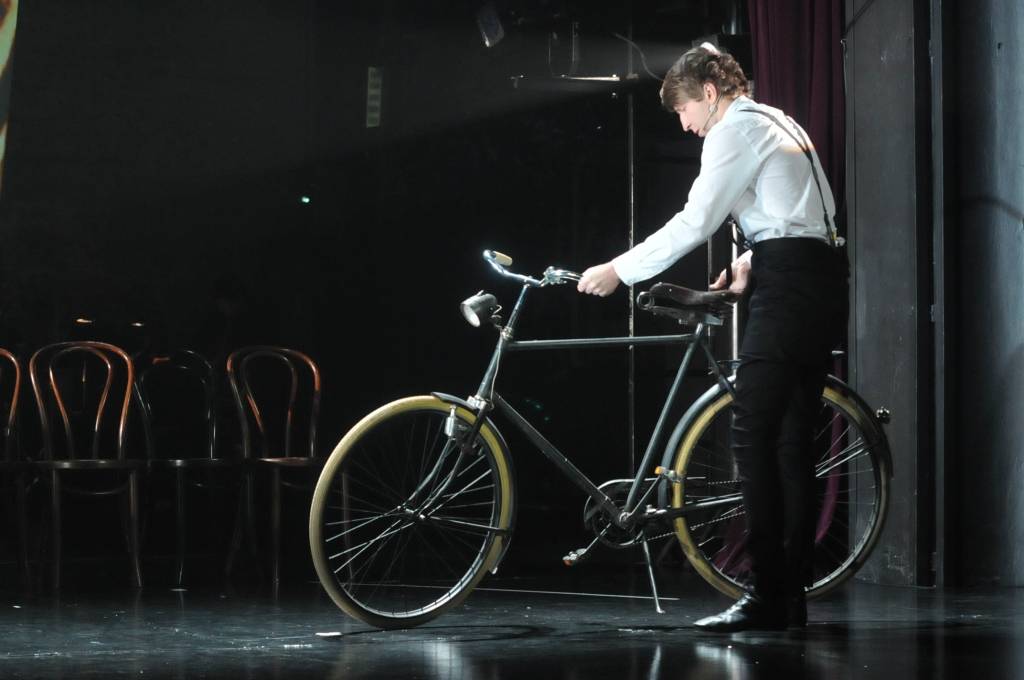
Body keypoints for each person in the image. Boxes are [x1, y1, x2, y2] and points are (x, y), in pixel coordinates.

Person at [577, 43, 848, 632]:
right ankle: (789, 596)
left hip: (790, 288)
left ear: (708, 92)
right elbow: (806, 216)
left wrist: (618, 269)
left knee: (752, 436)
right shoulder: (778, 119)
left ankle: (766, 594)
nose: (685, 125)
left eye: (683, 110)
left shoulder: (734, 129)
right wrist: (752, 259)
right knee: (791, 443)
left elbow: (695, 222)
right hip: (818, 278)